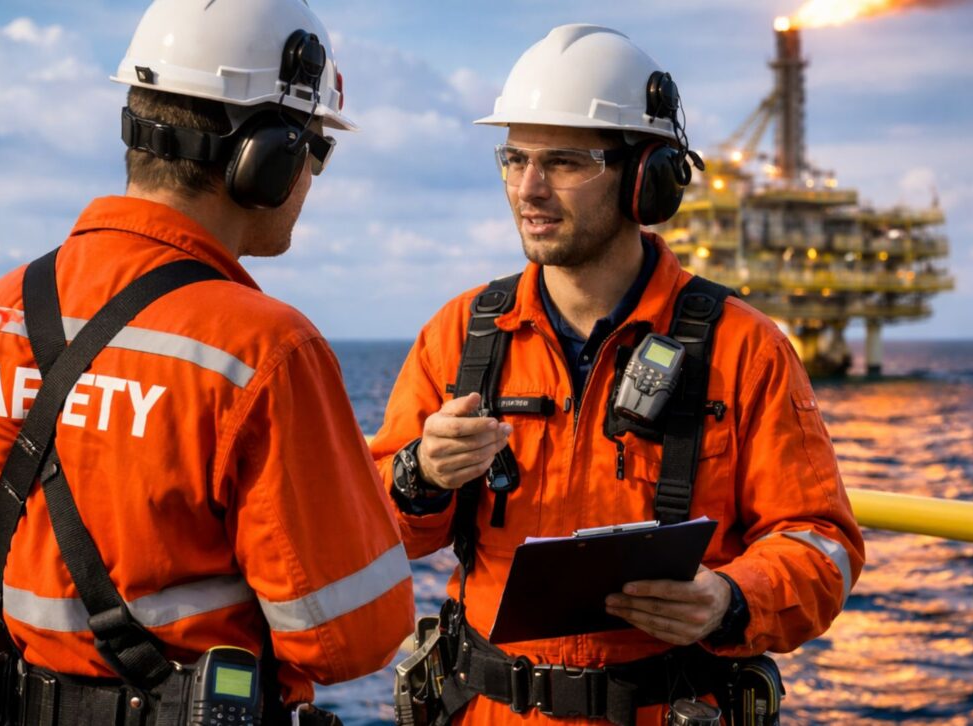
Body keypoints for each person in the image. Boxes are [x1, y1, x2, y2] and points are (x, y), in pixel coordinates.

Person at [0, 0, 413, 722]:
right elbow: (353, 638)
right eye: (315, 148)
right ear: (266, 160)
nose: (312, 174)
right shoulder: (264, 350)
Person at [370, 24, 865, 725]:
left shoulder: (744, 349)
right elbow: (380, 528)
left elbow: (821, 543)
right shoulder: (460, 336)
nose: (529, 189)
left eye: (564, 162)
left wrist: (731, 599)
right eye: (515, 159)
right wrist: (419, 472)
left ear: (645, 180)